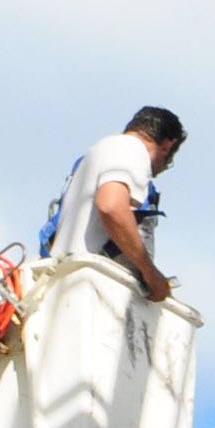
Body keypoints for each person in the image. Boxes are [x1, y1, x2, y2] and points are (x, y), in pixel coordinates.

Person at [44, 105, 187, 301]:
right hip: (86, 292)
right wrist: (150, 273)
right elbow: (111, 206)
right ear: (168, 146)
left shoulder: (104, 150)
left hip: (69, 284)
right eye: (168, 161)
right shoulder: (131, 148)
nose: (162, 169)